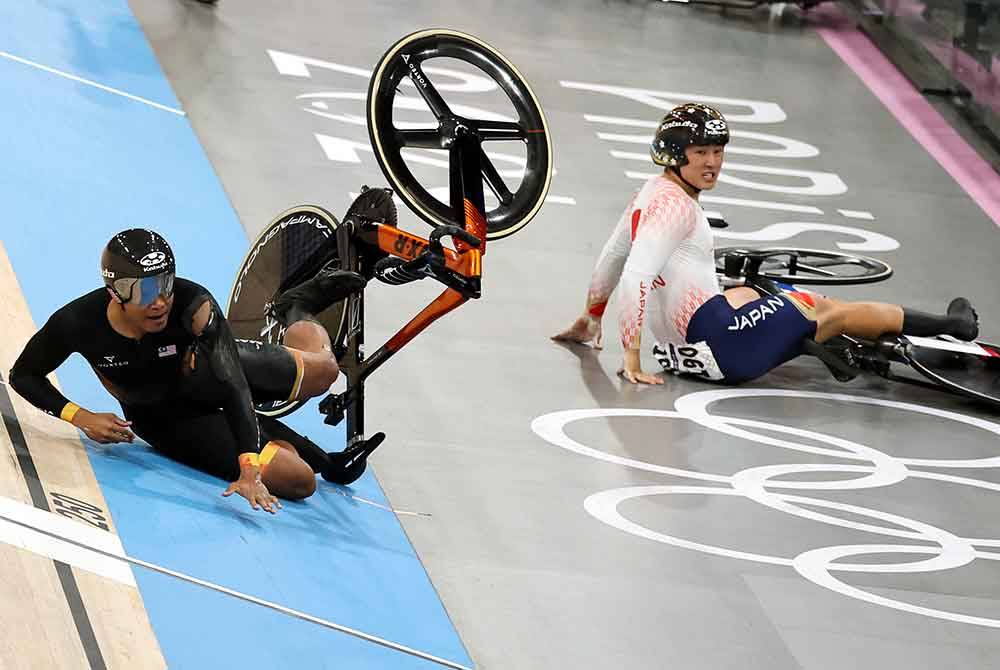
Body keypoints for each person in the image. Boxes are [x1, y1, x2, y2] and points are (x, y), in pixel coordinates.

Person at [553, 102, 979, 384]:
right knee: (827, 307)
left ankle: (802, 334)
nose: (714, 163)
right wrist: (631, 361)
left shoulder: (649, 192)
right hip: (723, 349)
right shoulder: (679, 209)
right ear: (675, 155)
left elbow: (612, 256)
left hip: (680, 351)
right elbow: (635, 276)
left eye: (718, 151)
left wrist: (591, 319)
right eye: (701, 152)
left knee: (744, 292)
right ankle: (953, 326)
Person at [10, 228, 365, 513]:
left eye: (164, 283)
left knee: (325, 372)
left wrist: (248, 466)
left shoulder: (195, 305)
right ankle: (292, 447)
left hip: (207, 374)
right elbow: (23, 375)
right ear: (116, 292)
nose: (160, 300)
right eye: (146, 290)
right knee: (301, 480)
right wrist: (81, 416)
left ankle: (297, 308)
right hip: (166, 418)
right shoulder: (76, 322)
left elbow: (233, 385)